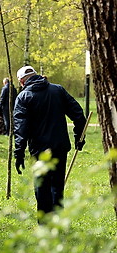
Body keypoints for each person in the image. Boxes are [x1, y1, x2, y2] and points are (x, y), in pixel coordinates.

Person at [13, 65, 86, 221]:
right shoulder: (58, 90)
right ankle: (57, 222)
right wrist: (79, 137)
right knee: (57, 187)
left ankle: (45, 225)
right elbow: (78, 115)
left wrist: (19, 152)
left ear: (21, 81)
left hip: (39, 150)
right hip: (60, 146)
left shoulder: (23, 97)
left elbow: (21, 128)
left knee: (42, 187)